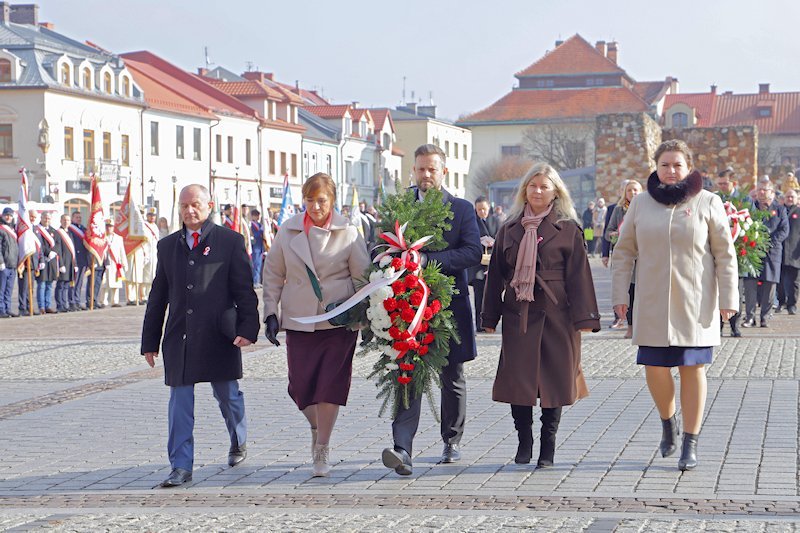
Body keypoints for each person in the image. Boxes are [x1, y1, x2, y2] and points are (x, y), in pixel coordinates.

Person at [611, 140, 738, 471]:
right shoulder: (640, 204)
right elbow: (623, 252)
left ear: (689, 168)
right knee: (655, 369)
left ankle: (690, 442)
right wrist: (620, 296)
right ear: (656, 167)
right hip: (652, 303)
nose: (670, 171)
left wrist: (729, 298)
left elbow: (725, 254)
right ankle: (668, 421)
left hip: (695, 303)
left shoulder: (708, 201)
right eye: (664, 164)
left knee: (692, 369)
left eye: (677, 165)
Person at [481, 163, 600, 467]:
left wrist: (585, 318)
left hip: (557, 313)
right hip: (518, 311)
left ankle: (548, 444)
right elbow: (495, 275)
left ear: (555, 192)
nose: (537, 191)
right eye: (532, 186)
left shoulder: (568, 228)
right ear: (524, 190)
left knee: (555, 379)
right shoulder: (509, 228)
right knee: (518, 380)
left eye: (543, 186)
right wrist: (489, 317)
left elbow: (579, 275)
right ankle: (524, 439)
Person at [141, 184, 259, 488]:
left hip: (219, 335)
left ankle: (238, 438)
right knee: (179, 402)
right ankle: (180, 466)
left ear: (209, 205)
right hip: (180, 337)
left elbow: (244, 291)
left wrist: (248, 329)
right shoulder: (167, 246)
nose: (189, 211)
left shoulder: (230, 241)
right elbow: (158, 296)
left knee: (228, 396)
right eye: (184, 206)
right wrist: (149, 341)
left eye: (195, 205)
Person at [380, 144, 482, 476]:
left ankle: (451, 440)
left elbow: (471, 252)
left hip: (448, 308)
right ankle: (402, 449)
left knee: (452, 376)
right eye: (421, 169)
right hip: (406, 307)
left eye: (432, 170)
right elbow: (378, 244)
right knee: (407, 375)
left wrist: (426, 261)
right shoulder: (400, 206)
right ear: (413, 170)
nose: (426, 175)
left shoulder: (462, 209)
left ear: (444, 172)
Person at [262, 172, 371, 477]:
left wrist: (365, 318)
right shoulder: (288, 230)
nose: (315, 206)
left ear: (332, 200)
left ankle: (322, 445)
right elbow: (272, 274)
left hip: (338, 320)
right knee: (300, 387)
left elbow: (362, 278)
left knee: (329, 387)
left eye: (321, 200)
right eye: (309, 200)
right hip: (300, 319)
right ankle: (317, 425)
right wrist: (271, 312)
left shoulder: (348, 232)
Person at [741, 180, 789, 328]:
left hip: (772, 252)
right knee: (750, 285)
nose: (761, 192)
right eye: (759, 189)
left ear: (772, 193)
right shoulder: (750, 208)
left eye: (765, 190)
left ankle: (765, 317)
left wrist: (768, 243)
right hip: (753, 251)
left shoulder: (780, 209)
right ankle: (749, 317)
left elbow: (784, 230)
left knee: (770, 285)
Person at [605, 180, 642, 338]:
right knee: (629, 293)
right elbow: (608, 231)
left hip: (642, 257)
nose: (633, 193)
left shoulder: (647, 209)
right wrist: (614, 236)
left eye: (636, 190)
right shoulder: (619, 210)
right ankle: (630, 326)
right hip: (625, 257)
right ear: (624, 193)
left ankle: (643, 326)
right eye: (629, 190)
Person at [467, 196, 499, 332]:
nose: (482, 212)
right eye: (479, 210)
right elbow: (467, 238)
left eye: (484, 209)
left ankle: (490, 323)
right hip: (477, 264)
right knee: (479, 294)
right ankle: (479, 324)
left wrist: (494, 241)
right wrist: (479, 240)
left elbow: (501, 235)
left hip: (493, 261)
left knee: (492, 294)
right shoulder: (471, 221)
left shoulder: (496, 220)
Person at [779, 188, 800, 314]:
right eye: (788, 196)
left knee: (794, 281)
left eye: (792, 197)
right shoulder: (779, 211)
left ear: (797, 199)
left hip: (794, 252)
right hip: (780, 251)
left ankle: (792, 304)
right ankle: (781, 302)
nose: (790, 199)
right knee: (780, 280)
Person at [34, 211, 59, 314]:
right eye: (45, 218)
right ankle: (42, 307)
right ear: (41, 218)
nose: (47, 220)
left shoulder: (53, 230)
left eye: (48, 218)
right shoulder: (36, 230)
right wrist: (48, 252)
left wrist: (54, 252)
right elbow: (39, 244)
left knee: (49, 284)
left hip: (52, 261)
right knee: (42, 284)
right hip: (42, 259)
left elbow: (58, 243)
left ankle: (48, 305)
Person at [100, 219, 128, 308]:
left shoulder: (119, 238)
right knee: (104, 283)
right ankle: (103, 301)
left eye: (110, 226)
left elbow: (122, 251)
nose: (108, 228)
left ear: (113, 227)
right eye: (107, 226)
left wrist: (124, 263)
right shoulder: (101, 237)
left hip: (116, 263)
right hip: (104, 263)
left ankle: (114, 301)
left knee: (115, 283)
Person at [68, 211, 91, 311]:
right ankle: (71, 301)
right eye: (77, 217)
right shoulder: (70, 230)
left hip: (82, 259)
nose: (79, 219)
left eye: (80, 217)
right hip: (74, 259)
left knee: (80, 283)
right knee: (73, 282)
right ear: (72, 218)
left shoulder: (83, 229)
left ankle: (77, 301)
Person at [54, 214, 76, 313]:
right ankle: (60, 305)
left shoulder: (70, 233)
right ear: (60, 221)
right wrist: (61, 264)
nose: (66, 222)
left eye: (68, 220)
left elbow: (72, 250)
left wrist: (75, 264)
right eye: (64, 220)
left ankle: (64, 303)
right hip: (63, 263)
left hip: (70, 263)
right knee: (60, 285)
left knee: (67, 285)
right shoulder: (58, 233)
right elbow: (58, 249)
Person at [0, 207, 18, 318]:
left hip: (12, 264)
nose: (8, 217)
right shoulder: (1, 229)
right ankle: (1, 309)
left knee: (9, 289)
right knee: (1, 289)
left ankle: (7, 308)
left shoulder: (13, 230)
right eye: (7, 215)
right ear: (2, 215)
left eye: (10, 215)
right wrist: (0, 261)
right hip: (4, 264)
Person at [249, 209, 265, 287]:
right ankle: (255, 281)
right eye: (256, 215)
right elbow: (254, 235)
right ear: (253, 216)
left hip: (260, 246)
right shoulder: (251, 225)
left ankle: (257, 281)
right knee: (255, 264)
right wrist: (261, 230)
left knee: (259, 265)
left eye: (258, 215)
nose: (258, 217)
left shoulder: (259, 224)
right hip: (255, 246)